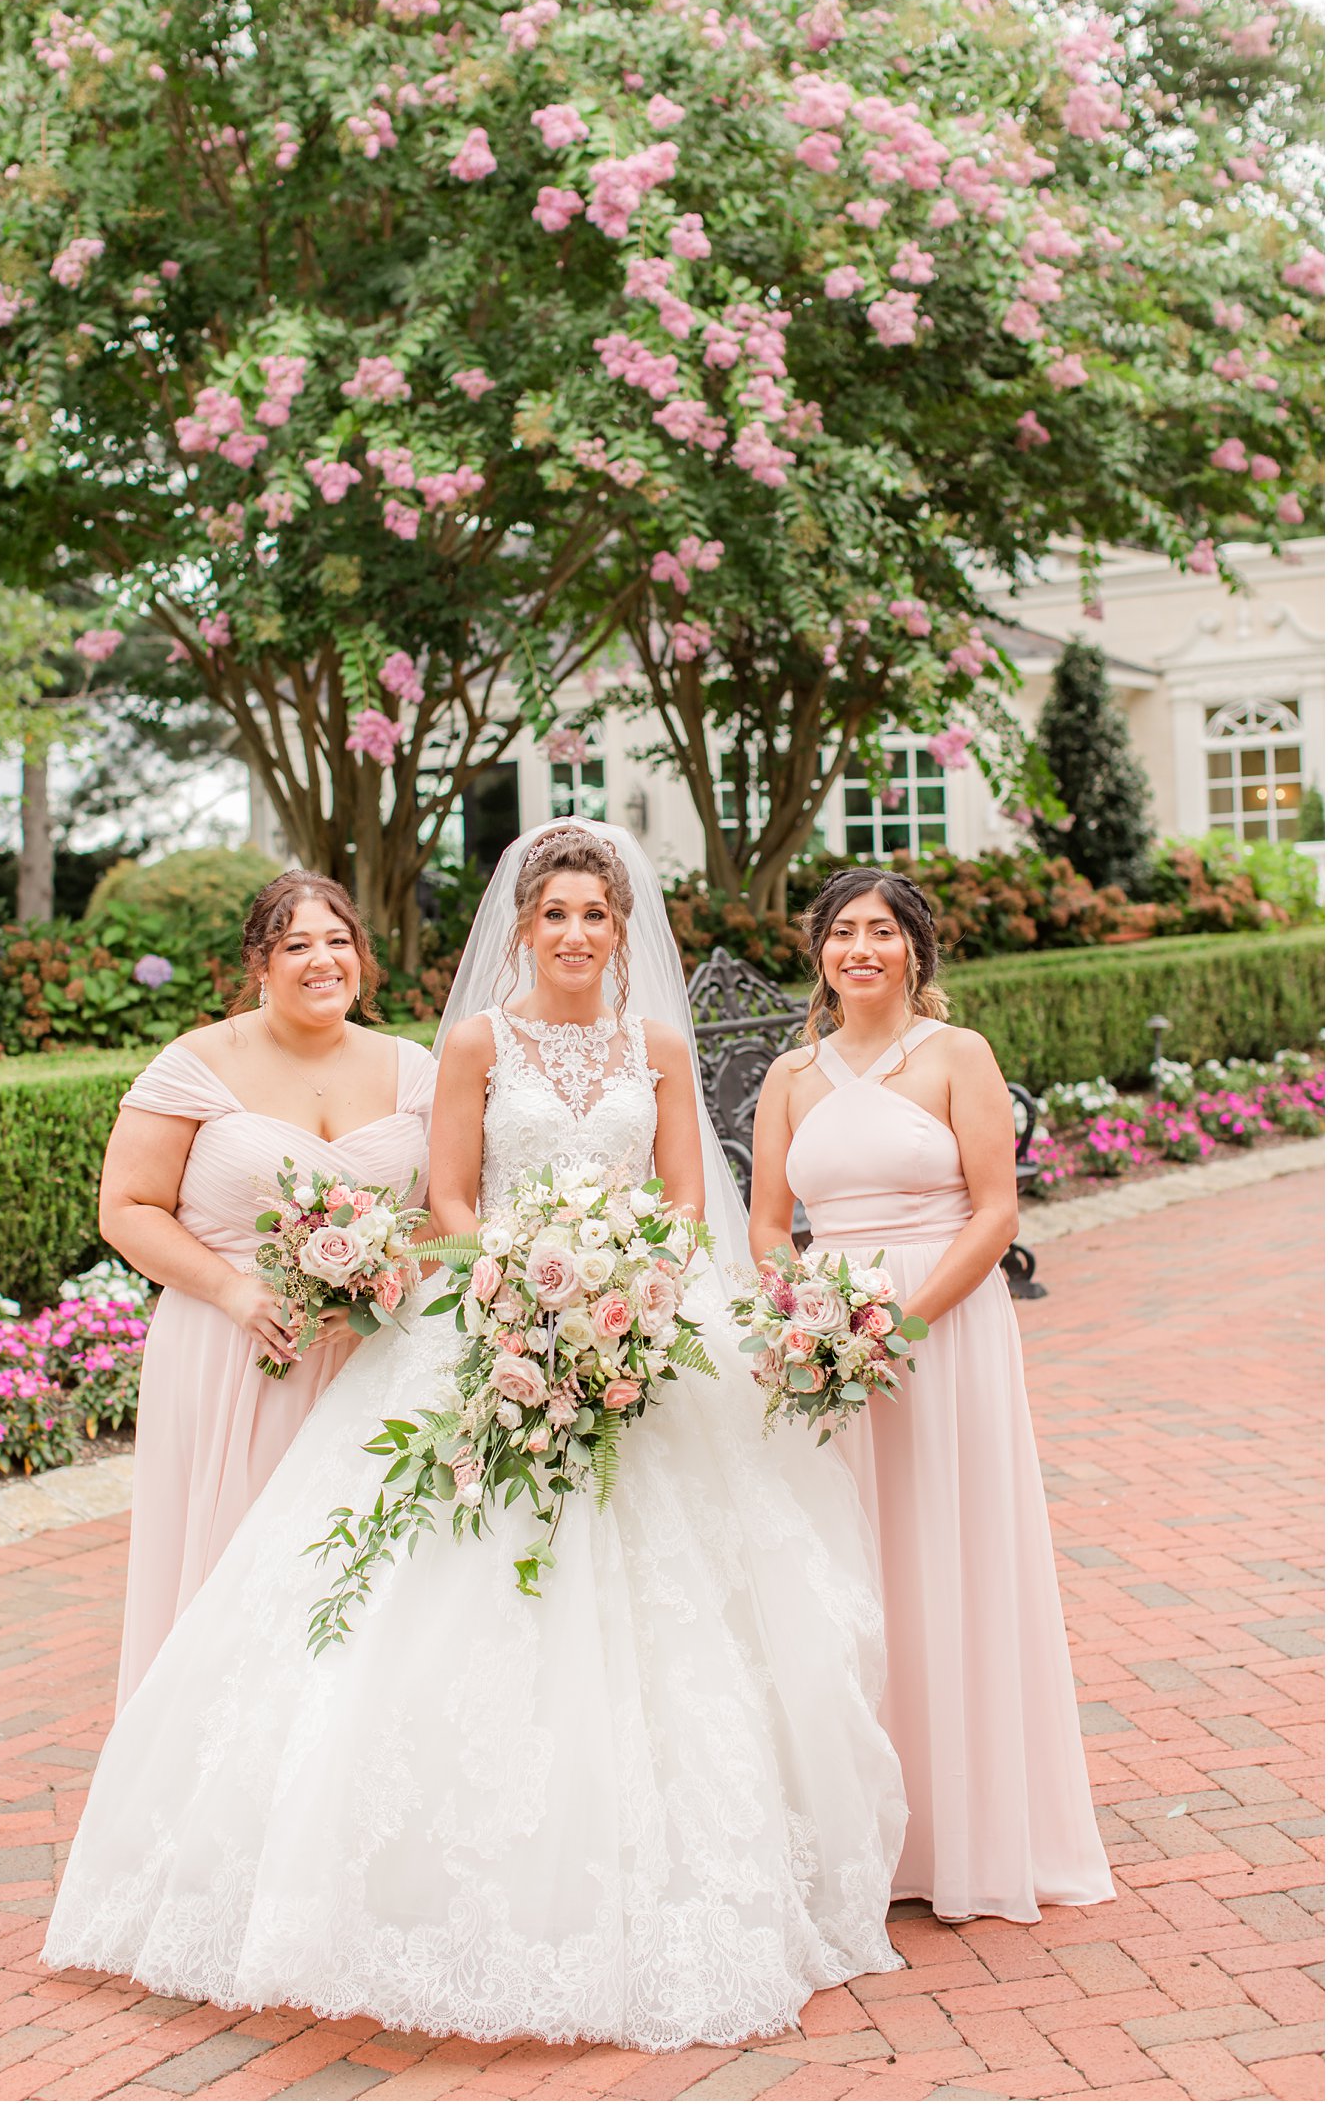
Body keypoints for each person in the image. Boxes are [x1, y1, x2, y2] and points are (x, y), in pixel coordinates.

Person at [44, 822, 906, 2051]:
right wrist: (518, 1280)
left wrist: (630, 1287)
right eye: (549, 915)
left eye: (591, 917)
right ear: (520, 928)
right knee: (407, 1587)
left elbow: (679, 1201)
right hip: (489, 1325)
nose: (571, 935)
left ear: (620, 930)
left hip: (636, 1334)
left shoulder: (657, 1046)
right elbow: (448, 1195)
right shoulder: (470, 1044)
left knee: (682, 1614)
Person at [748, 866, 1112, 1924]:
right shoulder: (787, 1077)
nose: (860, 950)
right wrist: (809, 1315)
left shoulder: (957, 1057)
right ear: (818, 951)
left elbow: (993, 1214)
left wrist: (896, 1330)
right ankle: (862, 1827)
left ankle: (967, 1831)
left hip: (940, 1333)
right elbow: (769, 1220)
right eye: (841, 933)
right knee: (846, 1562)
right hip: (826, 1345)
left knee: (947, 1554)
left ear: (914, 949)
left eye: (880, 933)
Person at [99, 869, 436, 1711]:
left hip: (372, 1356)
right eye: (297, 945)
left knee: (357, 1576)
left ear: (361, 957)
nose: (322, 960)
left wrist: (389, 1268)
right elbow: (126, 1208)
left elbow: (449, 1214)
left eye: (338, 941)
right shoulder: (197, 1064)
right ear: (260, 960)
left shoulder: (414, 1070)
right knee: (234, 1563)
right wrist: (234, 1289)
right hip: (233, 1351)